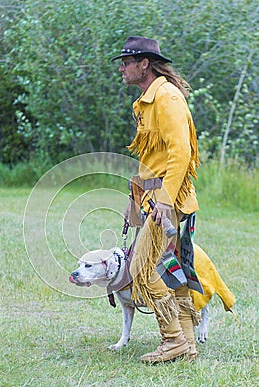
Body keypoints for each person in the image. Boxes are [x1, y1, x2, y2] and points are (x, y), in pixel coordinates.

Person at [111, 36, 201, 363]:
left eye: (126, 61)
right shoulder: (149, 100)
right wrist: (135, 201)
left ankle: (172, 339)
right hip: (154, 198)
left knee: (143, 269)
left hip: (169, 201)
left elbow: (181, 152)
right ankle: (188, 345)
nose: (121, 67)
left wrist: (164, 202)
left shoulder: (166, 98)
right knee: (172, 273)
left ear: (144, 64)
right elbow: (154, 159)